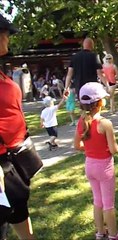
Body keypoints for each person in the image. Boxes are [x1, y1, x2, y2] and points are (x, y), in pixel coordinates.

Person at [74, 82, 118, 240]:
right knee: (108, 204)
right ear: (100, 103)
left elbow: (77, 146)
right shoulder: (105, 123)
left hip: (89, 165)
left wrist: (91, 150)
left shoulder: (81, 121)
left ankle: (100, 232)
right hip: (104, 168)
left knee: (97, 200)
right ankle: (113, 235)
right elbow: (113, 149)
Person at [0, 14, 35, 240]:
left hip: (14, 158)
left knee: (18, 209)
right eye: (4, 34)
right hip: (1, 162)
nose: (7, 39)